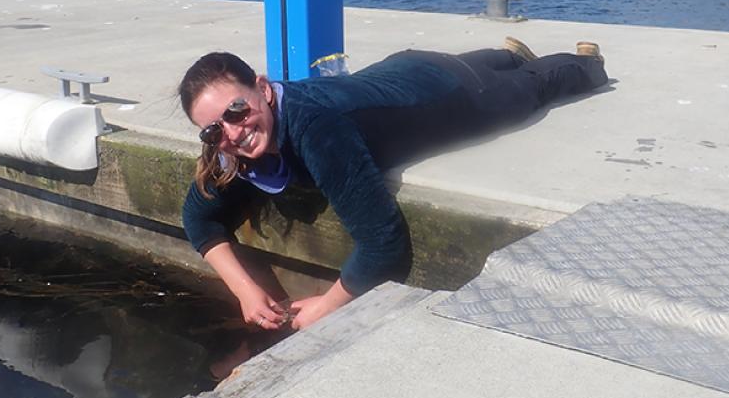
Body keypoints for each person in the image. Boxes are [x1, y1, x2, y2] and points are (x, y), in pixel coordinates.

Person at [179, 38, 607, 331]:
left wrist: (327, 305)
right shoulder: (232, 144)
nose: (231, 133)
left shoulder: (318, 129)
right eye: (213, 130)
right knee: (475, 67)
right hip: (405, 68)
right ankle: (506, 53)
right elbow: (197, 216)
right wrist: (245, 290)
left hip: (448, 95)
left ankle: (586, 63)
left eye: (236, 111)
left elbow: (383, 243)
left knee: (529, 90)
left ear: (263, 89)